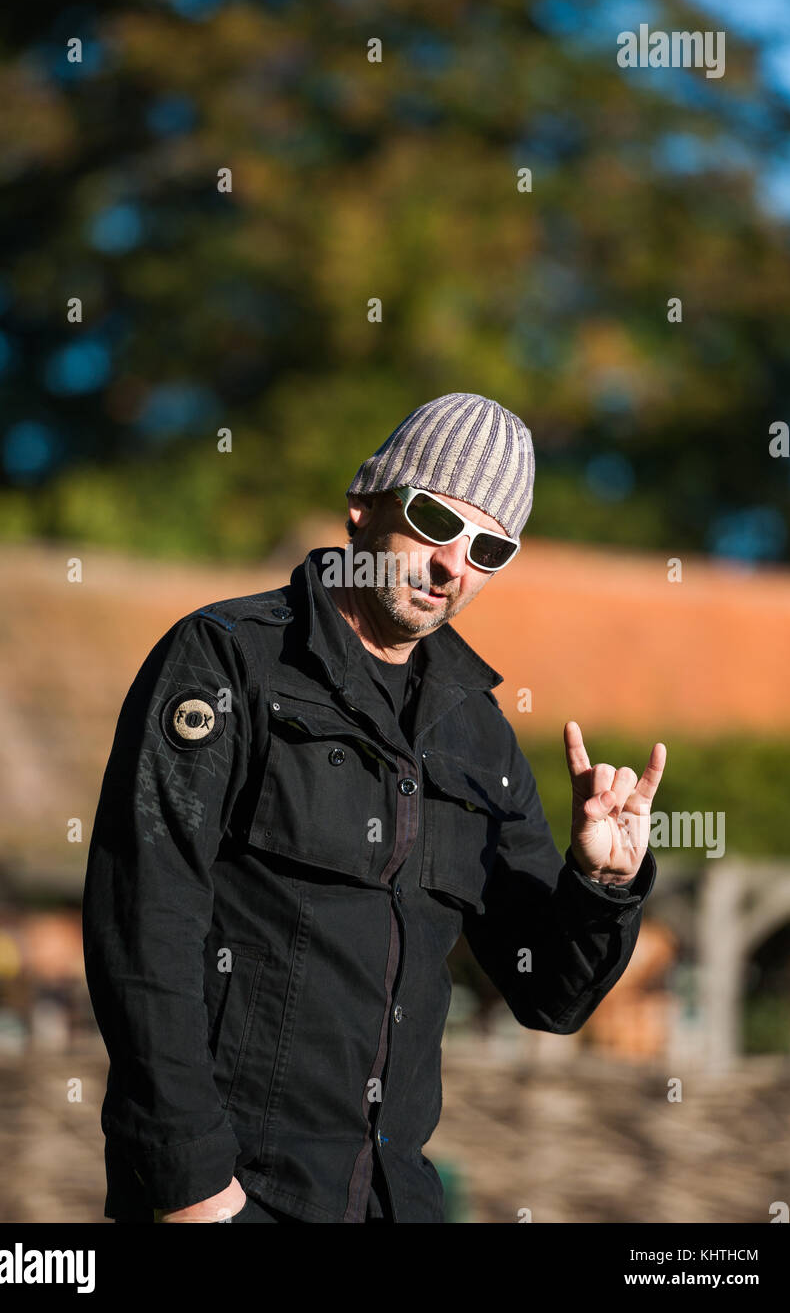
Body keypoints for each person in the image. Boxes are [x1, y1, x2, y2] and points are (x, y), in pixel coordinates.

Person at [82, 392, 665, 1224]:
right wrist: (192, 1190)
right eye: (434, 520)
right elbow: (143, 923)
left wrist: (599, 882)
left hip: (394, 1202)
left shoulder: (479, 735)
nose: (452, 565)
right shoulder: (226, 660)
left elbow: (551, 996)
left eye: (489, 547)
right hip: (233, 1196)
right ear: (365, 504)